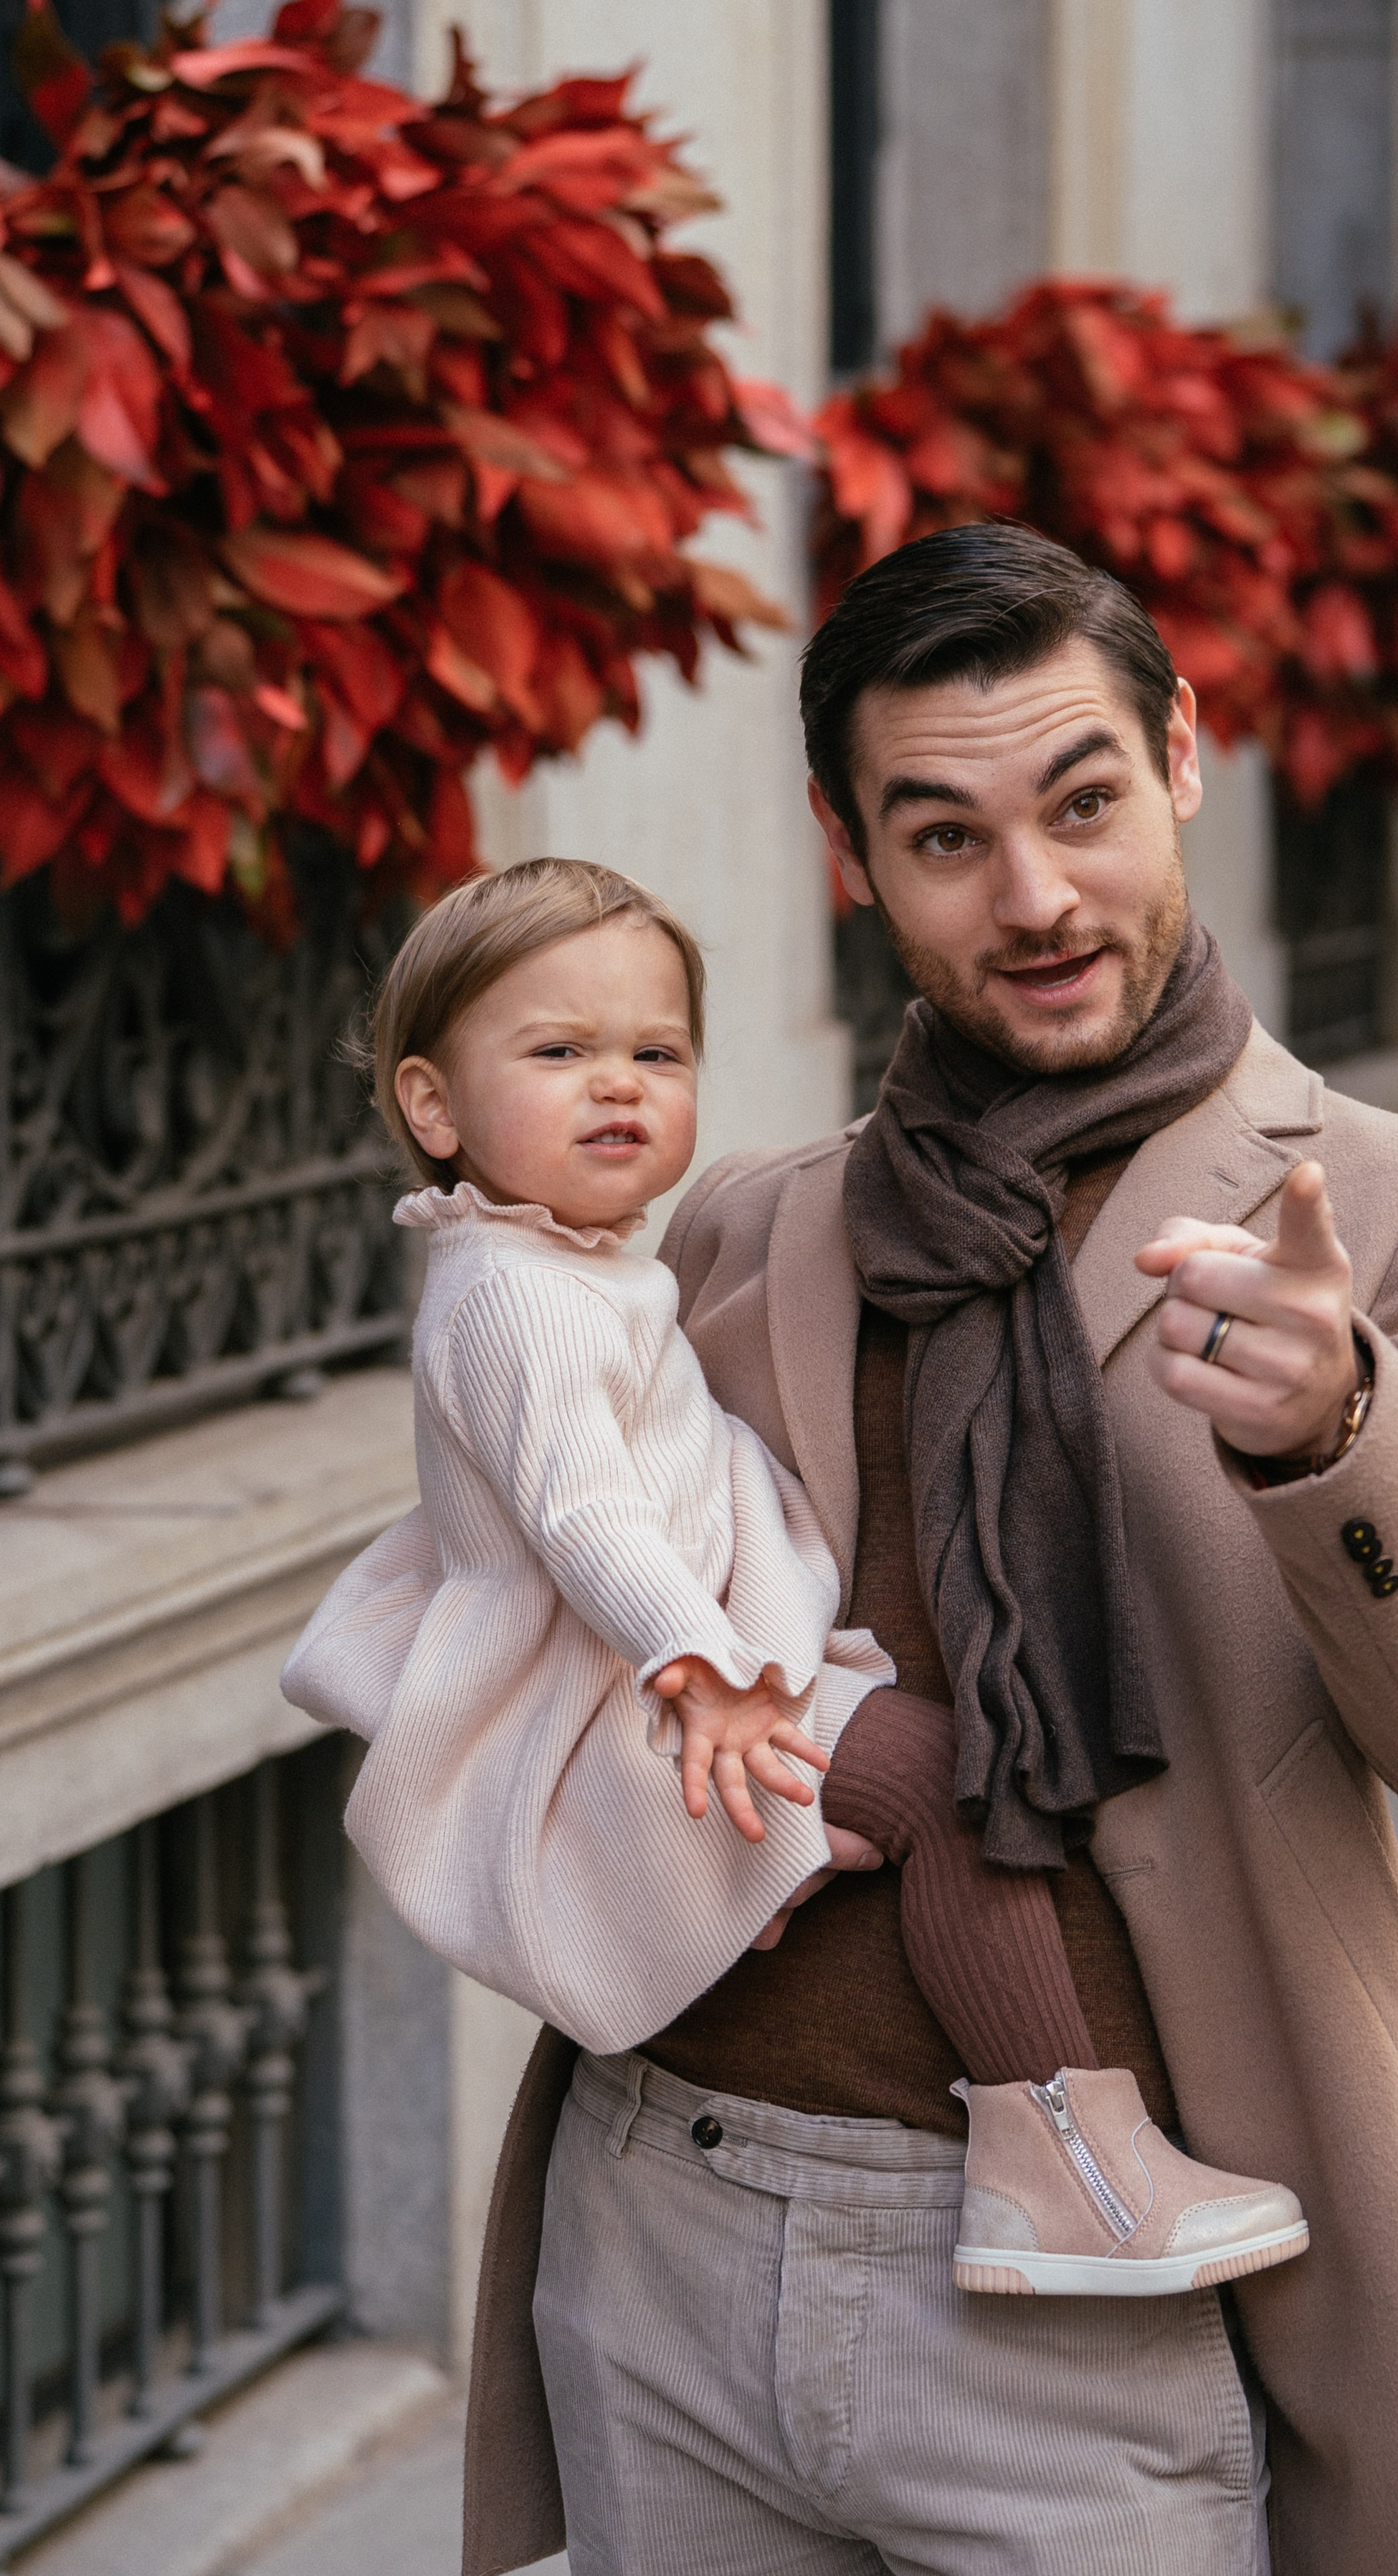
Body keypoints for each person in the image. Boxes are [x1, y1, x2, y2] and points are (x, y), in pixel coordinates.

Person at [460, 521, 1398, 2576]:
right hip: (674, 2219)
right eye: (946, 834)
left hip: (1081, 2286)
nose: (1033, 896)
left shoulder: (1387, 1204)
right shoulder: (747, 1224)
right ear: (849, 852)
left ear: (1184, 754)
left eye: (1082, 801)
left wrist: (1341, 1431)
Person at [281, 855, 1310, 2298]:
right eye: (558, 1051)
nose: (619, 1084)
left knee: (895, 1800)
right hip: (653, 1691)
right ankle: (1064, 2170)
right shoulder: (512, 1295)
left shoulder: (561, 1266)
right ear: (432, 1106)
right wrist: (700, 1669)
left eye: (656, 1051)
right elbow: (585, 1519)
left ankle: (1023, 2129)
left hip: (677, 1672)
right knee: (944, 1789)